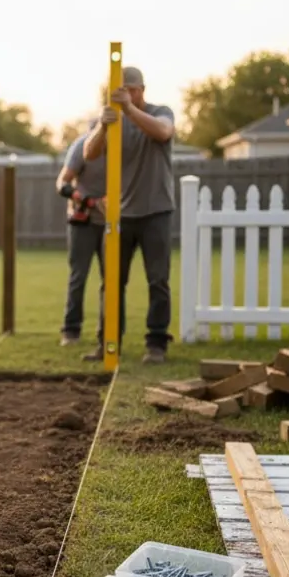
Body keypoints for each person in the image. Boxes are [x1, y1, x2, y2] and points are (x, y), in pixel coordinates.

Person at [82, 65, 176, 364]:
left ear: (141, 90)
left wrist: (128, 110)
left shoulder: (161, 112)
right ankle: (108, 342)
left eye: (130, 90)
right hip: (120, 215)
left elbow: (162, 132)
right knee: (111, 281)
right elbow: (89, 153)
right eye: (120, 91)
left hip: (156, 211)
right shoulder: (111, 120)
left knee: (157, 279)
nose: (125, 95)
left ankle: (156, 344)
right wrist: (102, 125)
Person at [56, 123, 106, 346]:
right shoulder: (80, 147)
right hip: (82, 221)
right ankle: (71, 330)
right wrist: (87, 201)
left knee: (112, 280)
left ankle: (107, 332)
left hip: (111, 223)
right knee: (78, 276)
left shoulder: (124, 149)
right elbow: (62, 183)